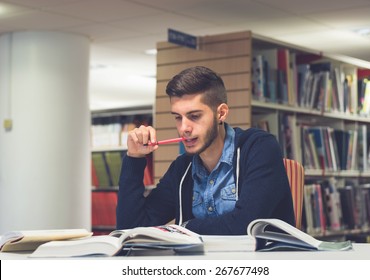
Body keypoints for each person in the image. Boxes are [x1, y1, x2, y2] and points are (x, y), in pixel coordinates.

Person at [116, 66, 295, 235]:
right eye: (178, 117)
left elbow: (247, 224)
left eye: (194, 116)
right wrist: (134, 158)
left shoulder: (259, 147)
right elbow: (130, 229)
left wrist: (183, 228)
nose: (184, 128)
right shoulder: (182, 168)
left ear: (221, 113)